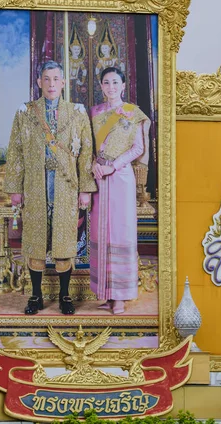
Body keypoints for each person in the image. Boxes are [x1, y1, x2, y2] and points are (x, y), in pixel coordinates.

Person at [4, 61, 96, 315]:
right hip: (35, 185)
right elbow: (16, 151)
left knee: (64, 242)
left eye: (56, 79)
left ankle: (65, 296)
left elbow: (86, 151)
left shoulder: (77, 112)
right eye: (47, 79)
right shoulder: (25, 112)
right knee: (35, 241)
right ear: (39, 82)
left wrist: (85, 188)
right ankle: (35, 296)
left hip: (66, 186)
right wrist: (15, 187)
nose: (52, 84)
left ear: (64, 83)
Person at [89, 67, 151, 315]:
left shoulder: (133, 113)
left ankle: (121, 297)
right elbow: (88, 145)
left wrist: (112, 166)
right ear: (101, 86)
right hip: (98, 178)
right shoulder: (94, 112)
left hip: (120, 177)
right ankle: (104, 292)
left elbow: (138, 149)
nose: (111, 86)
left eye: (115, 82)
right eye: (106, 82)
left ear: (123, 85)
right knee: (100, 233)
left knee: (120, 233)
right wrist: (94, 164)